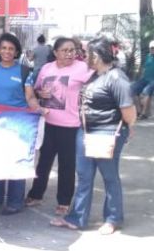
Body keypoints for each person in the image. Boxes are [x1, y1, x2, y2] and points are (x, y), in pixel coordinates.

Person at [51, 37, 136, 235]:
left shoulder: (116, 78)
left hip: (106, 133)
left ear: (96, 56)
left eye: (86, 53)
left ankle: (113, 218)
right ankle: (77, 217)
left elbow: (129, 112)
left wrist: (126, 129)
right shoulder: (94, 75)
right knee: (84, 176)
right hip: (86, 131)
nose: (83, 56)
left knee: (109, 176)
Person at [25, 37, 92, 215]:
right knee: (43, 162)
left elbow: (96, 87)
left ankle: (64, 201)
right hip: (48, 123)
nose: (69, 54)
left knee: (66, 165)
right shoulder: (47, 68)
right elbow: (36, 89)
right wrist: (40, 93)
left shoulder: (82, 68)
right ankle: (36, 194)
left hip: (71, 125)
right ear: (55, 52)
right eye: (65, 50)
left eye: (72, 50)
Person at [0, 33, 44, 215]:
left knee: (16, 161)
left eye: (11, 49)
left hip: (19, 124)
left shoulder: (25, 71)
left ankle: (15, 201)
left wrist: (37, 107)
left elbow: (30, 96)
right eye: (4, 48)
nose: (7, 51)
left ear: (16, 51)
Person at [131, 40, 154, 119]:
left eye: (153, 48)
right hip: (144, 79)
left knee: (145, 92)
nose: (152, 49)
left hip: (153, 80)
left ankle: (144, 114)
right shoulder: (148, 56)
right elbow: (144, 69)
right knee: (132, 89)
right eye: (151, 48)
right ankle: (139, 111)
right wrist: (140, 77)